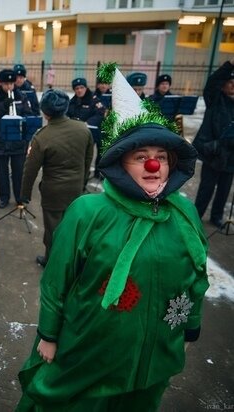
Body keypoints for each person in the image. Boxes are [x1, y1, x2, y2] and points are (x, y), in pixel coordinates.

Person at [16, 63, 209, 412]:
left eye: (161, 157)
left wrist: (190, 329)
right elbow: (57, 279)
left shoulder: (184, 212)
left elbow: (196, 278)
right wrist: (48, 333)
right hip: (91, 349)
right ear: (122, 163)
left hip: (155, 354)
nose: (154, 166)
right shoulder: (88, 212)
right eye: (142, 157)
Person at [19, 89, 93, 268]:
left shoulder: (42, 137)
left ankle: (52, 262)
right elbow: (88, 159)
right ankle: (74, 260)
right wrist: (82, 181)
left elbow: (30, 170)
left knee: (53, 229)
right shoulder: (83, 129)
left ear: (45, 112)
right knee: (74, 225)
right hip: (75, 189)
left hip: (53, 192)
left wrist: (24, 195)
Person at [193, 59, 234, 229]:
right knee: (207, 187)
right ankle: (196, 216)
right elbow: (213, 81)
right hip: (214, 152)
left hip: (231, 154)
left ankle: (216, 216)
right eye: (230, 82)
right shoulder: (214, 99)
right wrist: (229, 65)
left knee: (224, 189)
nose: (232, 86)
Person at [0, 69, 33, 209]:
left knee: (18, 172)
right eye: (6, 84)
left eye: (11, 83)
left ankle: (19, 198)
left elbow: (29, 115)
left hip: (18, 142)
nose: (9, 87)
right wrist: (3, 105)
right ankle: (4, 197)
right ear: (1, 83)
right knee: (2, 173)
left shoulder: (21, 96)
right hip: (0, 141)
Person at [67, 77, 106, 178]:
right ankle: (82, 175)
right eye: (76, 88)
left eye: (81, 87)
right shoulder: (73, 101)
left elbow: (101, 113)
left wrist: (87, 123)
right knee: (81, 155)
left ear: (85, 87)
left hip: (94, 133)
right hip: (79, 134)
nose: (79, 90)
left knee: (95, 155)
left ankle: (96, 174)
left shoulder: (93, 99)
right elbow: (69, 114)